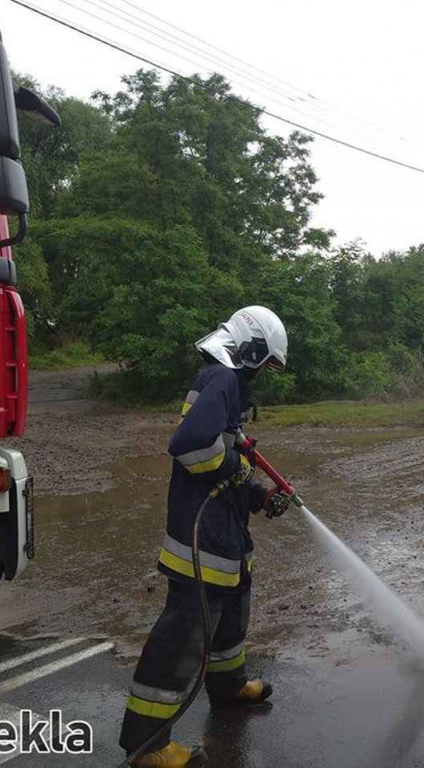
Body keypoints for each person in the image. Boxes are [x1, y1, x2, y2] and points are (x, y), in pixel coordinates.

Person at [119, 306, 293, 767]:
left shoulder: (230, 385)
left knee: (230, 618)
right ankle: (147, 743)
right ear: (250, 349)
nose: (263, 374)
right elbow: (191, 444)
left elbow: (224, 453)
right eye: (264, 364)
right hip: (202, 536)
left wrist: (256, 495)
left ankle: (228, 688)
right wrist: (239, 471)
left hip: (225, 530)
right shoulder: (223, 378)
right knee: (185, 636)